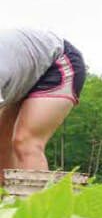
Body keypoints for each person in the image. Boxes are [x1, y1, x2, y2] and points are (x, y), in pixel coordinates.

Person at [0, 29, 86, 187]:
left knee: (25, 141)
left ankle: (37, 208)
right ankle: (6, 204)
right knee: (2, 141)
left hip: (58, 62)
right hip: (23, 74)